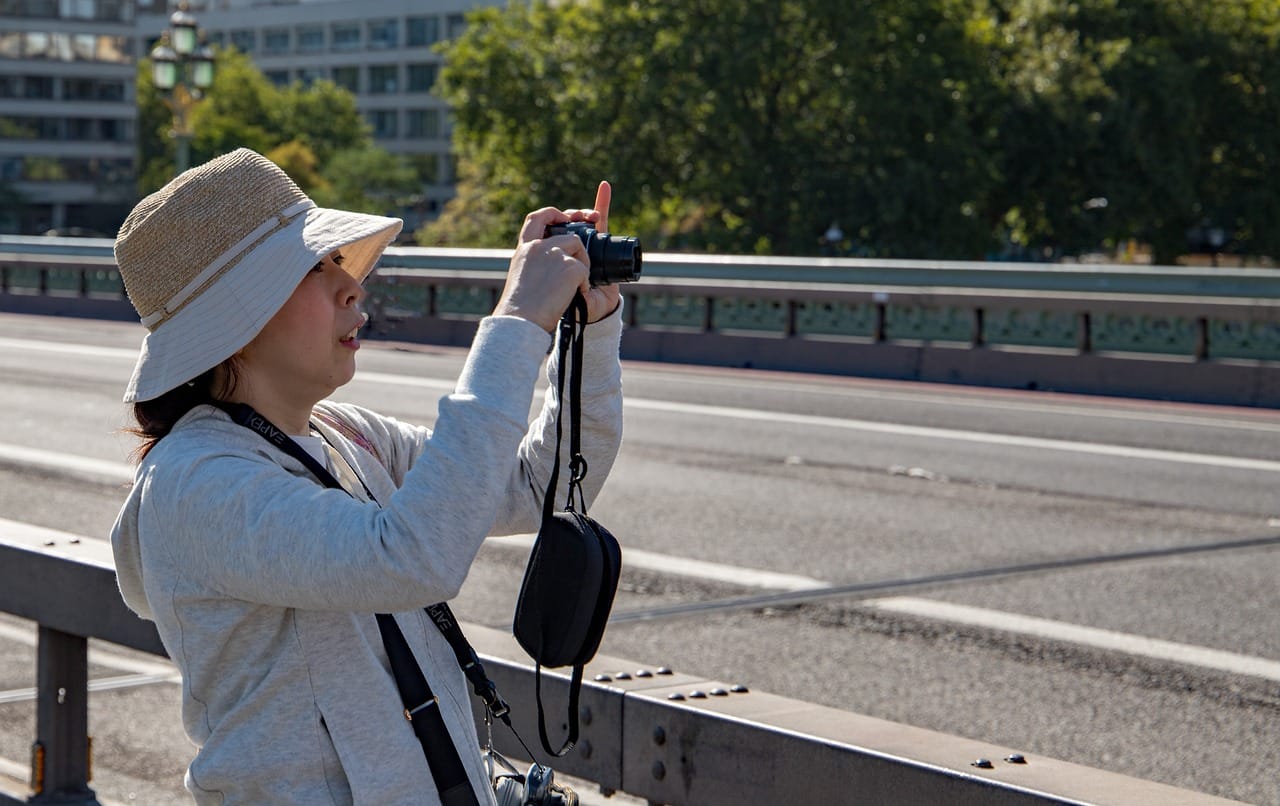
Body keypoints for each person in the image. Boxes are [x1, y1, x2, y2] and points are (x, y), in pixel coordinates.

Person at [109, 148, 625, 804]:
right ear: (234, 324)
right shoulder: (193, 486)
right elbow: (412, 557)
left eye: (338, 262)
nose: (350, 284)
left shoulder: (346, 437)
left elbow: (532, 483)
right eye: (314, 268)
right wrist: (517, 323)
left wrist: (592, 327)